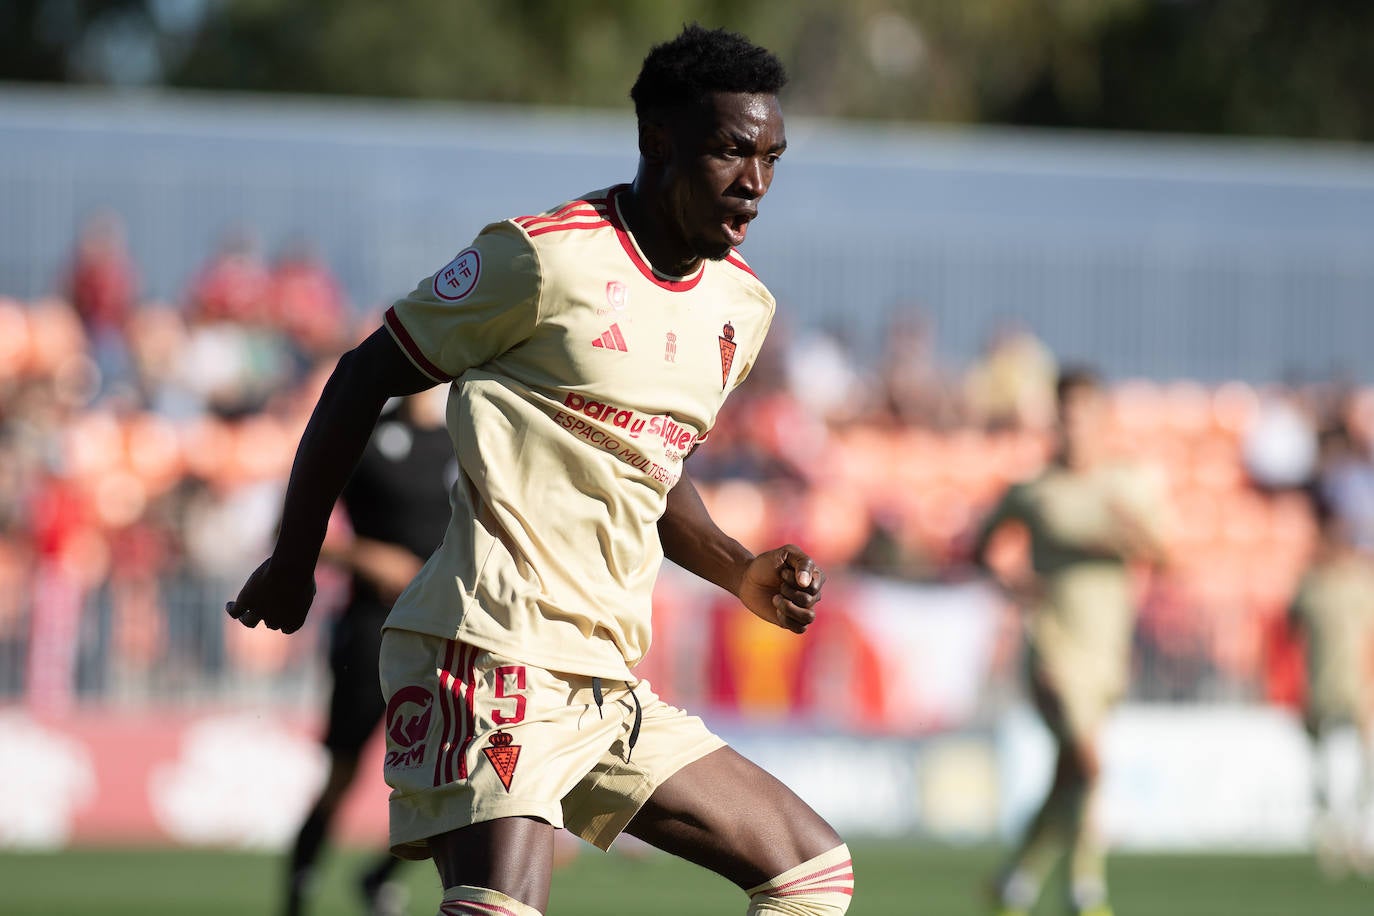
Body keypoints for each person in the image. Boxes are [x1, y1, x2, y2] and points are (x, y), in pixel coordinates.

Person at [228, 25, 852, 916]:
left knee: (812, 876)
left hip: (604, 676)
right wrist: (294, 559)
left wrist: (739, 570)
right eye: (730, 151)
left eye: (772, 158)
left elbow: (649, 468)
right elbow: (363, 375)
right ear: (658, 142)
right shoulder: (542, 257)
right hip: (491, 648)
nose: (755, 182)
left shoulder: (740, 308)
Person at [972, 367, 1167, 916]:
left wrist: (1137, 534)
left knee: (1072, 771)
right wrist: (1013, 582)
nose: (1074, 424)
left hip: (1106, 651)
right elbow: (980, 547)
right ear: (1056, 418)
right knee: (1089, 760)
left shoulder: (1127, 485)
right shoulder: (1034, 491)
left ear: (1101, 418)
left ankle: (1015, 878)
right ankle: (1086, 890)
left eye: (1084, 413)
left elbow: (1171, 554)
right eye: (1066, 413)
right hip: (1051, 646)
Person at [285, 389, 455, 916]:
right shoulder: (364, 430)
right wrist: (365, 555)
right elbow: (294, 522)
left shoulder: (470, 430)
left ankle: (378, 877)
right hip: (370, 629)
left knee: (450, 772)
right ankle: (297, 890)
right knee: (342, 771)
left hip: (447, 630)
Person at [1288, 495, 1374, 876]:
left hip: (1360, 685)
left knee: (1364, 765)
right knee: (1323, 766)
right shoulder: (1312, 583)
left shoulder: (1362, 582)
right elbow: (1292, 624)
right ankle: (1329, 836)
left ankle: (1357, 833)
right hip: (1321, 684)